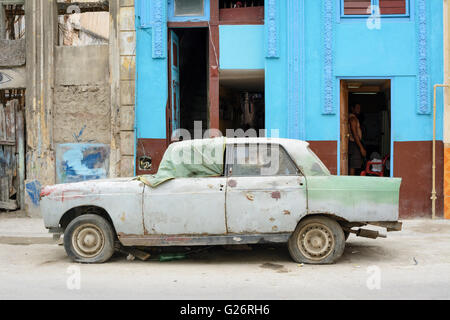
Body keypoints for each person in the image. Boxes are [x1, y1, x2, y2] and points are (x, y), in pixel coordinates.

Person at [348, 104, 366, 175]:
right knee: (353, 165)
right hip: (354, 144)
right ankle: (351, 183)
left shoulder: (353, 118)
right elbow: (355, 134)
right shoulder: (353, 119)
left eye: (359, 108)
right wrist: (361, 148)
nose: (359, 109)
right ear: (352, 108)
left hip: (355, 143)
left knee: (354, 165)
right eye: (357, 107)